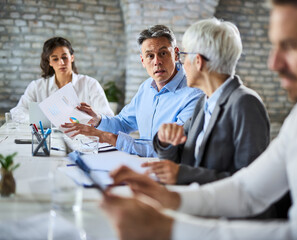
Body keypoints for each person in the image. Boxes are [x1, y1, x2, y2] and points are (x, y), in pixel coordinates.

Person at [100, 0, 297, 239]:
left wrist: (167, 227)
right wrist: (169, 197)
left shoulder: (246, 104)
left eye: (290, 45)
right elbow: (246, 189)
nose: (273, 63)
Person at [145, 19, 270, 186]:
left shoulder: (245, 103)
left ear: (198, 61)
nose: (181, 63)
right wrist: (166, 141)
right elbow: (178, 160)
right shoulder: (204, 102)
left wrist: (184, 175)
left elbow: (251, 183)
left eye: (184, 55)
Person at [61, 25, 203, 157]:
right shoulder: (146, 87)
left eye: (163, 53)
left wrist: (106, 137)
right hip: (141, 163)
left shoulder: (194, 94)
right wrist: (98, 120)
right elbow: (123, 123)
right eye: (150, 56)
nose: (157, 61)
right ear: (142, 61)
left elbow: (171, 149)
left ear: (176, 55)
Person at [10, 37, 114, 123]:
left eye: (64, 57)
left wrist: (92, 118)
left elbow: (108, 115)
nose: (61, 63)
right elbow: (17, 112)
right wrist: (42, 120)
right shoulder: (36, 86)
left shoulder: (90, 84)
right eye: (55, 59)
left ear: (72, 57)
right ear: (49, 62)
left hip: (84, 139)